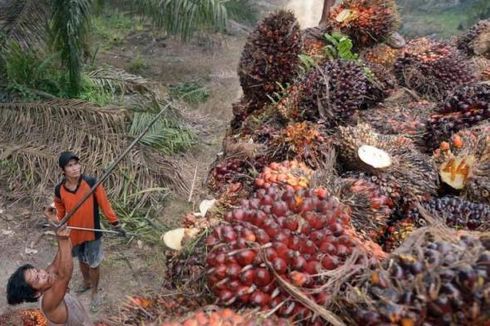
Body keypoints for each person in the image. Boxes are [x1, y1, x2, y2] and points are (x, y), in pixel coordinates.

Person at [53, 151, 126, 312]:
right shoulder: (60, 190)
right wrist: (60, 221)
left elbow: (105, 205)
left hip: (92, 232)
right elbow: (59, 207)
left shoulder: (91, 182)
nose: (75, 168)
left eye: (76, 164)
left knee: (93, 263)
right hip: (75, 232)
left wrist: (115, 224)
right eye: (70, 166)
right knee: (82, 260)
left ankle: (94, 292)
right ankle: (86, 283)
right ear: (63, 171)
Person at [6, 208, 94, 325]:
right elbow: (64, 276)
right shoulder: (49, 303)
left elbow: (61, 255)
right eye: (37, 278)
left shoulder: (46, 278)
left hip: (80, 316)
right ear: (36, 293)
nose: (42, 273)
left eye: (37, 271)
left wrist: (55, 222)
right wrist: (63, 239)